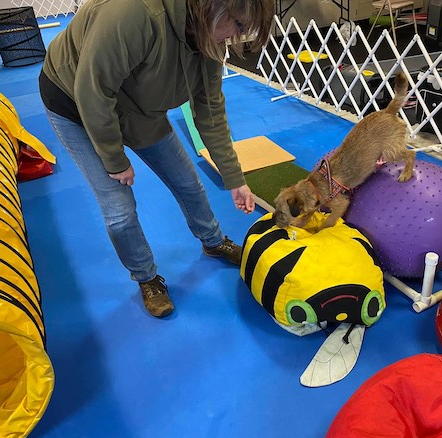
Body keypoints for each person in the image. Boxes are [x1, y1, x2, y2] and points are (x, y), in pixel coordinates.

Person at [39, 0, 274, 318]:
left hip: (138, 108)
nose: (237, 36)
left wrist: (235, 178)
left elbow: (210, 111)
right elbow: (93, 91)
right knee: (119, 211)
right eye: (239, 26)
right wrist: (114, 158)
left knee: (188, 181)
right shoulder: (133, 13)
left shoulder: (208, 37)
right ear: (215, 8)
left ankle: (213, 240)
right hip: (76, 103)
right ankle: (147, 278)